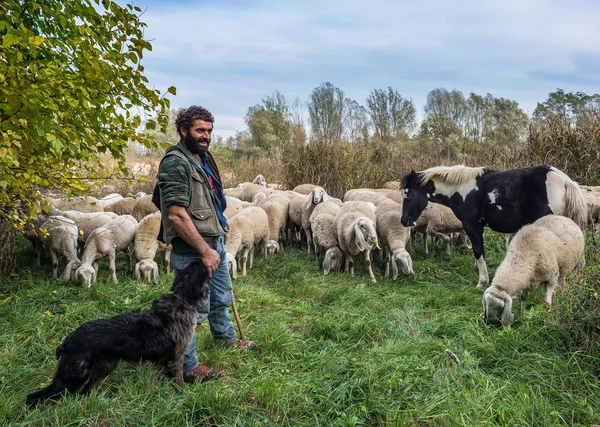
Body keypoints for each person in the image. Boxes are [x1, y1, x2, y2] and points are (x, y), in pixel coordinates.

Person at [157, 105, 257, 383]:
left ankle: (226, 339)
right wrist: (204, 250)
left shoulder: (201, 158)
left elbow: (209, 200)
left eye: (209, 130)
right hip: (194, 250)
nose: (206, 135)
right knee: (192, 310)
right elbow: (176, 214)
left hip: (214, 242)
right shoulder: (176, 162)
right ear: (183, 130)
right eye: (200, 130)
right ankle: (185, 365)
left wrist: (219, 230)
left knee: (221, 298)